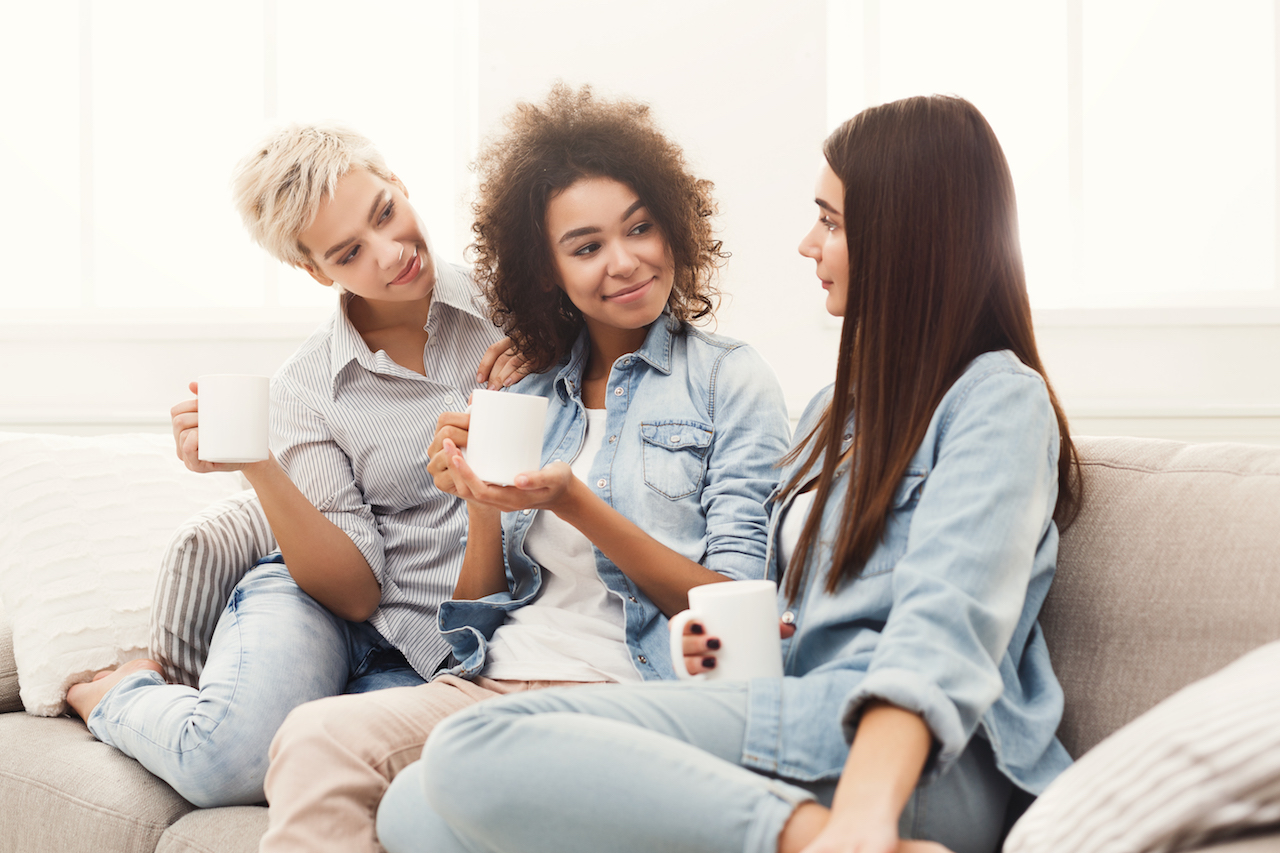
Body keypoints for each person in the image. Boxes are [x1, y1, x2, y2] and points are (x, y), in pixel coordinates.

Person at [375, 94, 1082, 853]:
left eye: (833, 222)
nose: (808, 243)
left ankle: (812, 842)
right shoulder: (830, 415)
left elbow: (946, 627)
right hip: (797, 713)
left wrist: (863, 820)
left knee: (468, 750)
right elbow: (779, 607)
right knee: (414, 806)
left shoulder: (998, 397)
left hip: (916, 762)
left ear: (907, 236)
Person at [256, 84, 792, 853]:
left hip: (628, 693)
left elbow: (736, 608)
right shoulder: (529, 386)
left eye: (640, 227)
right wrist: (478, 499)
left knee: (427, 803)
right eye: (586, 246)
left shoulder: (730, 381)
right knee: (315, 736)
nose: (626, 261)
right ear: (548, 268)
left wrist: (575, 503)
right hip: (492, 682)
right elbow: (481, 606)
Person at [64, 122, 515, 808]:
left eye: (385, 212)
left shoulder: (518, 307)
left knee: (361, 776)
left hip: (437, 643)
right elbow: (355, 594)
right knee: (227, 764)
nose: (392, 253)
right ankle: (114, 692)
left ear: (398, 184)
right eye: (349, 251)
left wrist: (549, 354)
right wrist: (257, 465)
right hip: (323, 602)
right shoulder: (306, 387)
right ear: (315, 270)